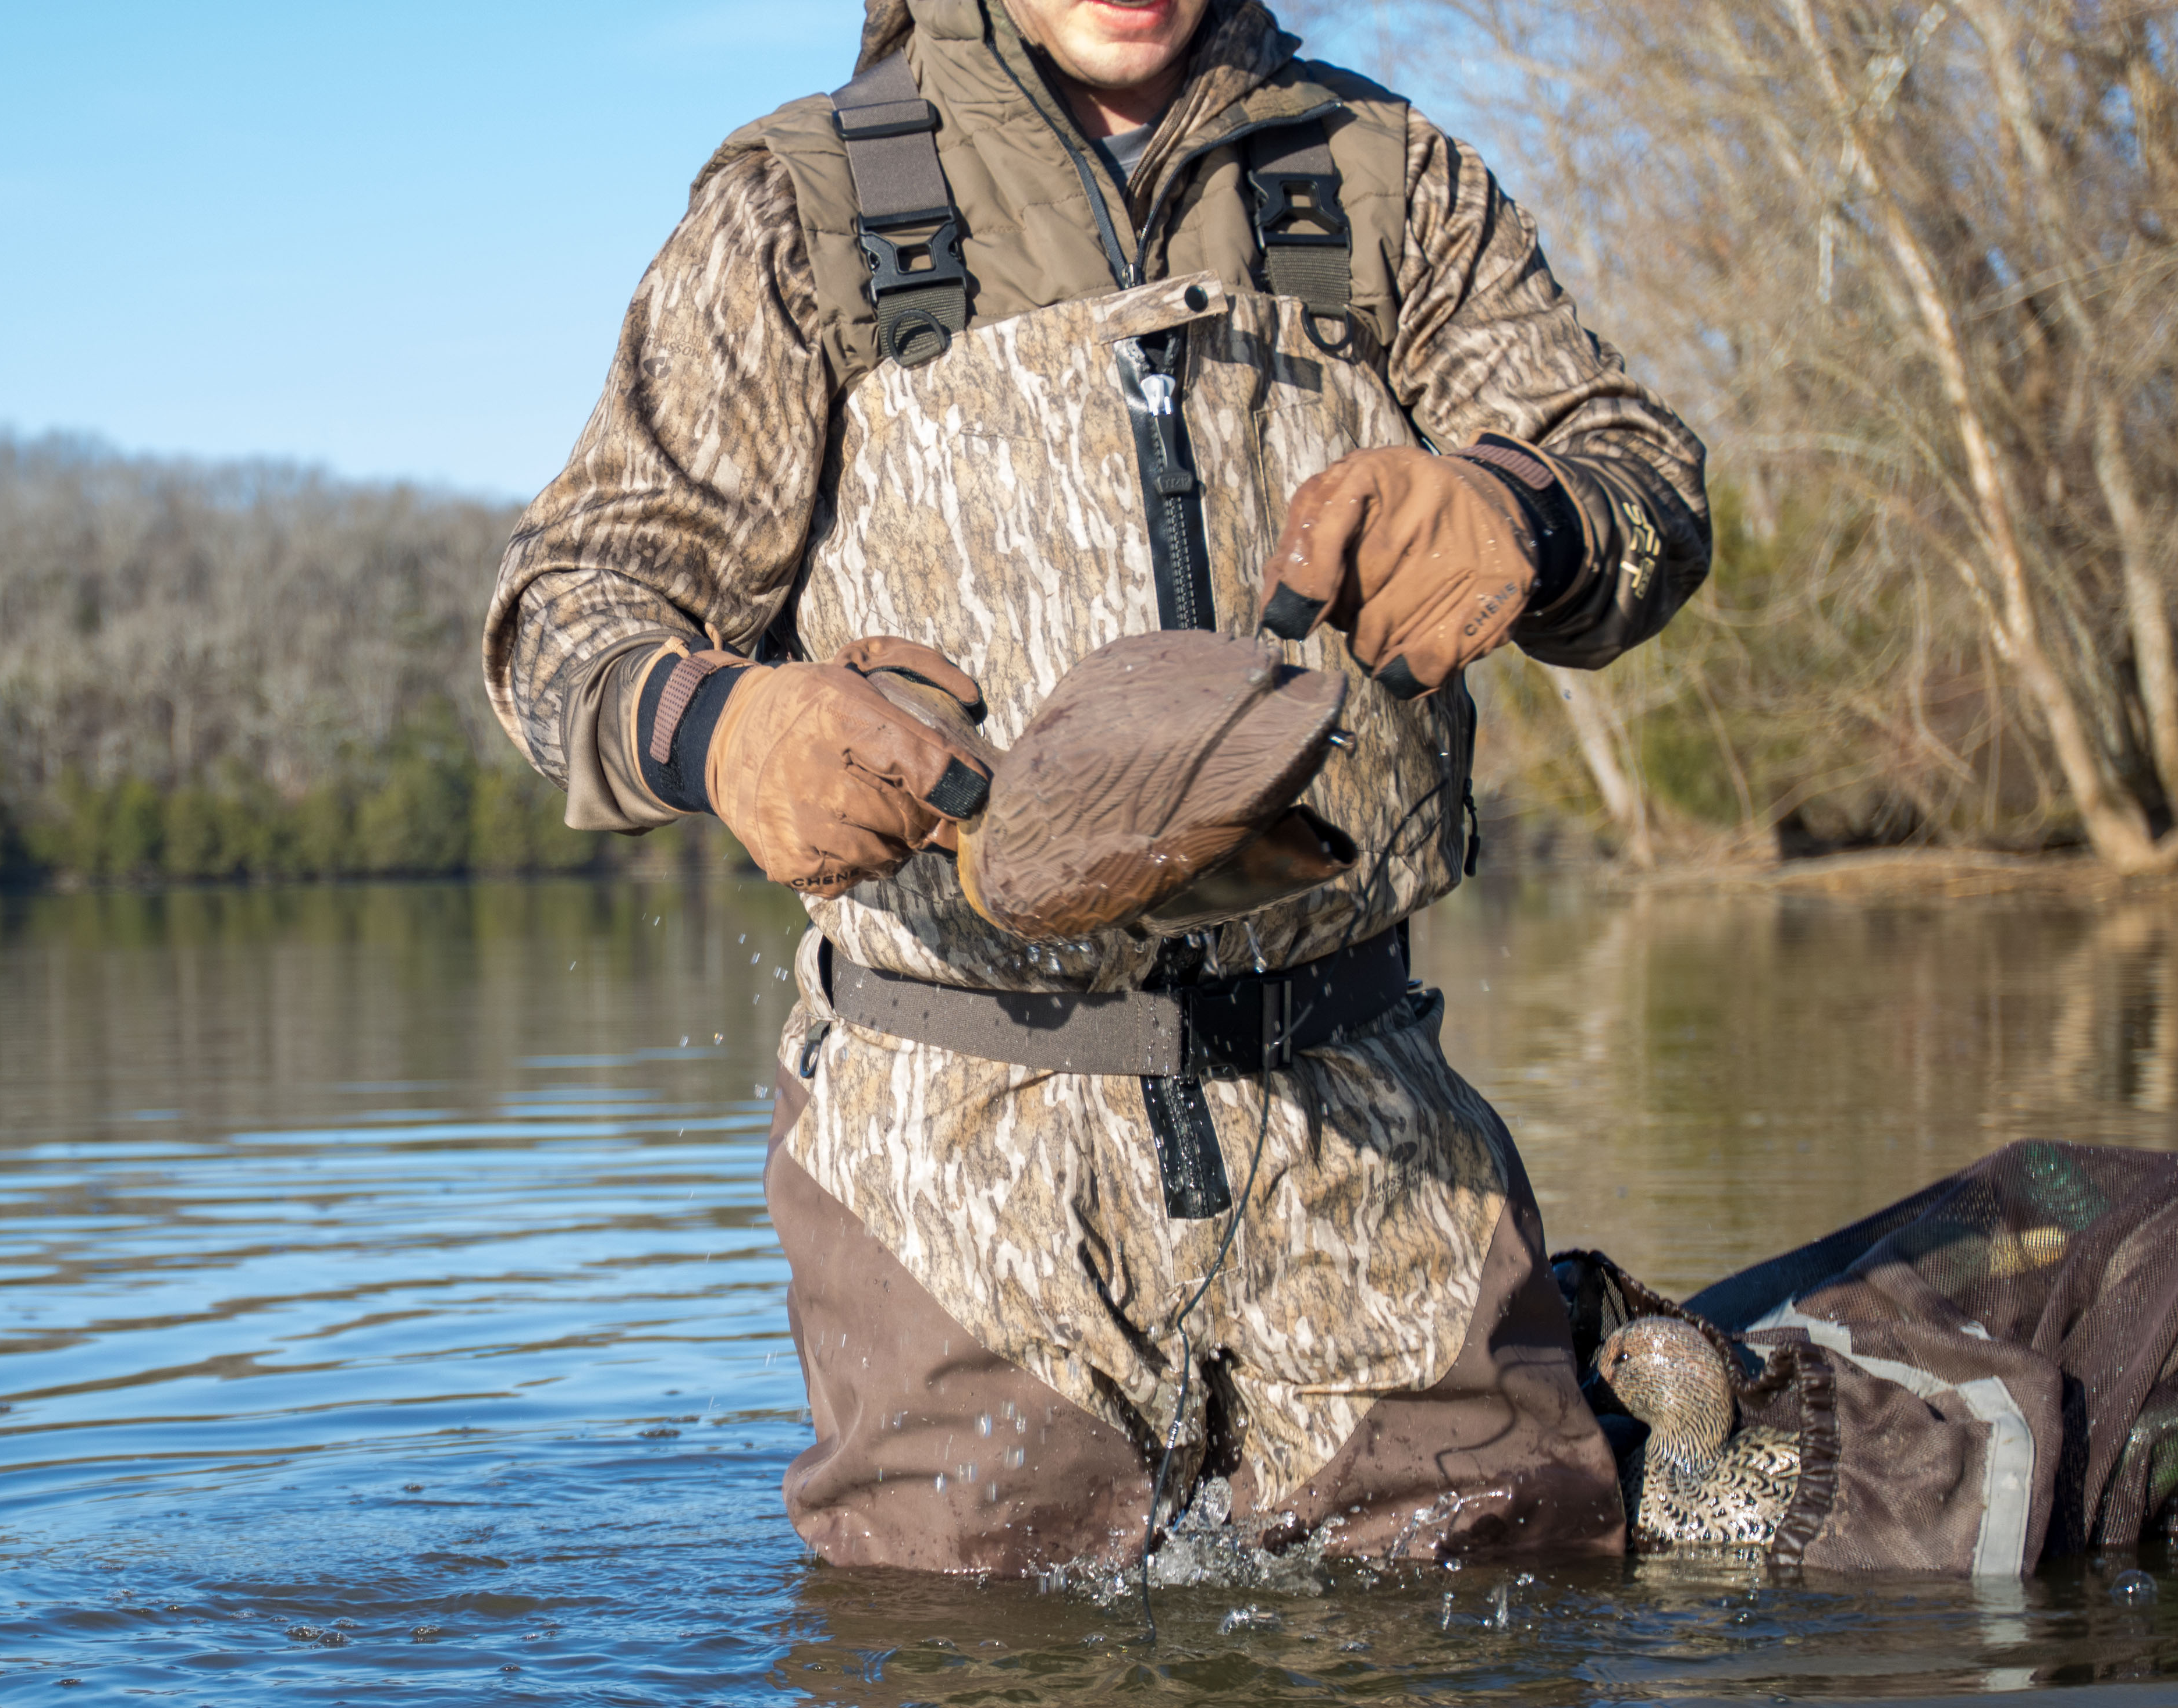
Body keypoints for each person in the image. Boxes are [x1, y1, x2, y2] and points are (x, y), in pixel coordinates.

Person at [485, 0, 1710, 1574]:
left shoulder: (1389, 175)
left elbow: (1639, 469)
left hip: (1373, 1126)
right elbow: (564, 613)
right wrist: (721, 727)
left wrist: (1526, 511)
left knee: (1499, 1692)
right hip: (950, 1157)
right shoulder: (796, 204)